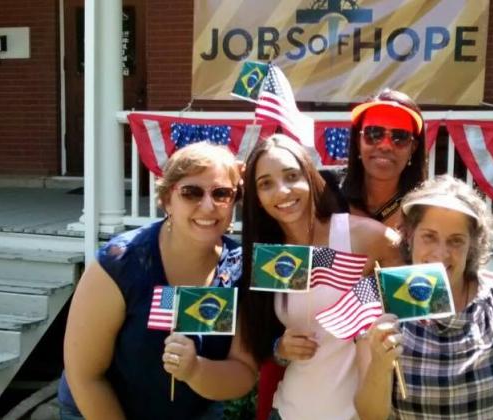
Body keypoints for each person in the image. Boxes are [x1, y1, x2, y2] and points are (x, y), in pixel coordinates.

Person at [58, 143, 257, 419]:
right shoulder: (121, 262)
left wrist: (194, 370)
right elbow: (85, 376)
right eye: (191, 192)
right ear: (166, 199)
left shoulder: (240, 268)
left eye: (222, 193)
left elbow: (243, 371)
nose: (208, 206)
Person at [356, 175, 493, 419]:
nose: (441, 253)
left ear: (472, 245)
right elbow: (370, 416)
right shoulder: (382, 302)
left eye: (456, 241)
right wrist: (380, 363)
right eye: (429, 236)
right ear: (409, 236)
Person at [239, 134, 402, 420]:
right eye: (266, 184)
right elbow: (260, 341)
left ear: (310, 176)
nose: (282, 191)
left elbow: (412, 308)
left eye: (291, 176)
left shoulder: (365, 237)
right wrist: (281, 348)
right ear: (256, 197)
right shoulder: (267, 256)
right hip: (287, 411)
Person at [342, 88, 428, 229]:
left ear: (413, 148)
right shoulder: (329, 202)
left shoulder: (426, 211)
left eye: (400, 137)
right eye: (374, 133)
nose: (385, 146)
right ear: (358, 141)